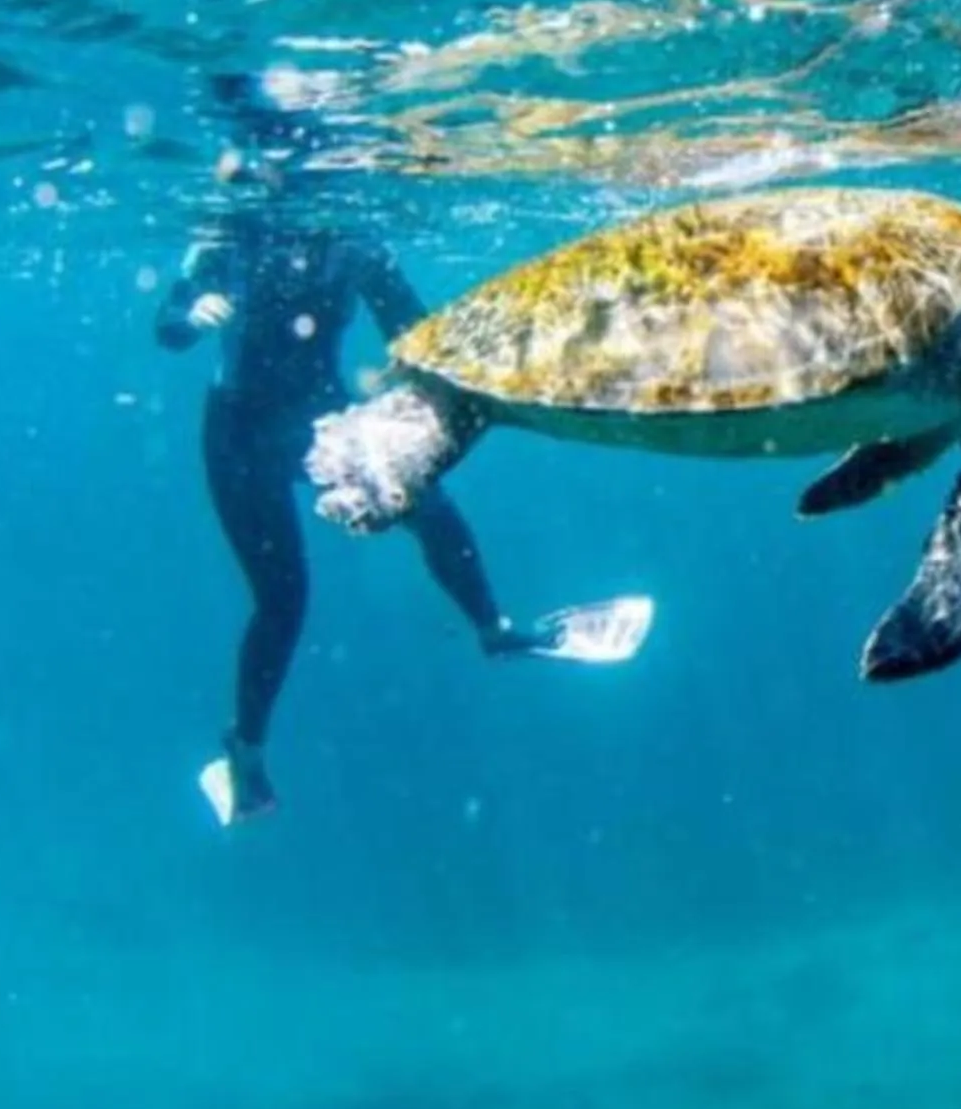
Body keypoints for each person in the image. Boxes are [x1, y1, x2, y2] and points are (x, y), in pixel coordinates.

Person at [156, 75, 645, 825]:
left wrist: (470, 378)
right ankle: (245, 751)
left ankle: (497, 630)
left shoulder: (354, 244)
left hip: (322, 418)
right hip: (240, 433)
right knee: (284, 599)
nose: (311, 178)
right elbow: (166, 323)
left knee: (431, 506)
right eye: (296, 156)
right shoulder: (233, 229)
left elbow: (419, 334)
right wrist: (194, 313)